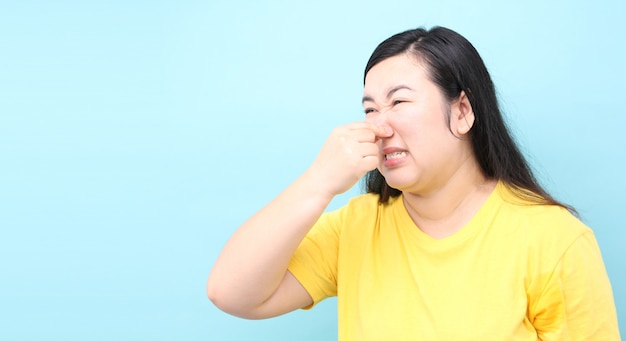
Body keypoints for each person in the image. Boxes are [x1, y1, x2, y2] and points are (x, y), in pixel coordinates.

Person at [207, 26, 621, 340]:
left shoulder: (553, 238)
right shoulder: (356, 226)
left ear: (461, 112)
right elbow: (231, 293)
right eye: (369, 109)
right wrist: (318, 183)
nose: (378, 126)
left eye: (399, 101)